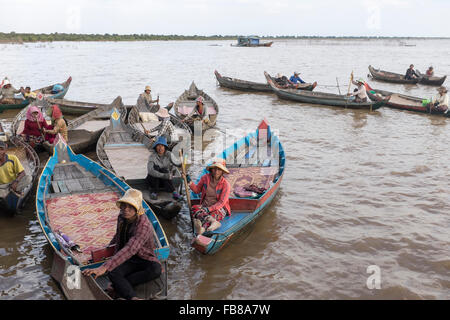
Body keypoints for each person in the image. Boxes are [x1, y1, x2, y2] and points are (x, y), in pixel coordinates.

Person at [81, 188, 162, 300]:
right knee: (113, 272)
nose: (125, 209)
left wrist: (104, 267)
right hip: (128, 259)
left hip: (144, 258)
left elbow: (130, 249)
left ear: (137, 208)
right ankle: (133, 297)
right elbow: (118, 236)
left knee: (156, 269)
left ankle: (118, 287)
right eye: (123, 205)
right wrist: (107, 251)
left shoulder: (143, 226)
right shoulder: (122, 217)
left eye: (130, 206)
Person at [183, 159, 231, 236]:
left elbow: (221, 202)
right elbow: (197, 190)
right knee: (194, 208)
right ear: (211, 170)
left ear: (222, 171)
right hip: (205, 205)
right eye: (214, 168)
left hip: (219, 208)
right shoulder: (205, 178)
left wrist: (209, 209)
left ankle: (202, 229)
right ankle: (213, 223)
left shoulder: (226, 184)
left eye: (219, 169)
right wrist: (189, 182)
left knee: (211, 214)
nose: (216, 171)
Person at [146, 136, 181, 200]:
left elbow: (176, 162)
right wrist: (164, 176)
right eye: (158, 146)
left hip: (164, 181)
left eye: (162, 146)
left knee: (164, 170)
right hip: (153, 181)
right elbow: (150, 170)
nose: (160, 148)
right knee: (156, 168)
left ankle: (173, 192)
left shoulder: (169, 154)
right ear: (155, 147)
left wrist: (181, 163)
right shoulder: (152, 156)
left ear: (165, 147)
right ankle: (154, 192)